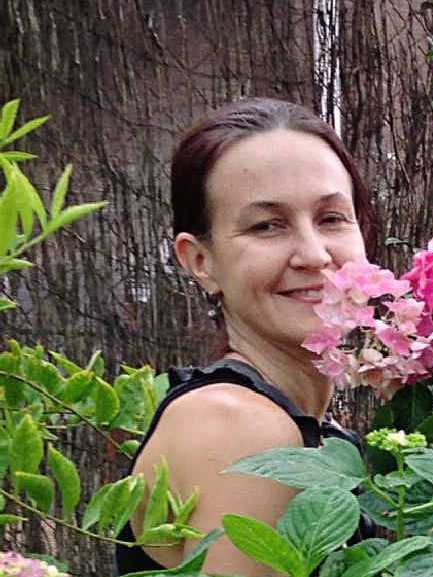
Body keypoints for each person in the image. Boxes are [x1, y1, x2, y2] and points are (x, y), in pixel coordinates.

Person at [115, 98, 378, 575]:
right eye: (267, 226)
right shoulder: (241, 428)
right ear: (200, 261)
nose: (315, 254)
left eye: (331, 218)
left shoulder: (306, 427)